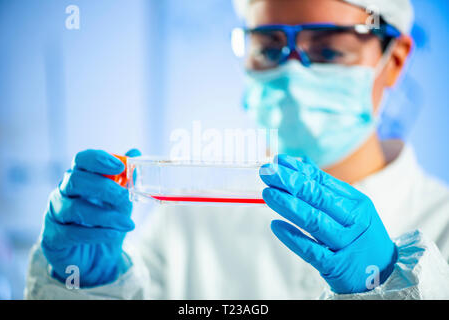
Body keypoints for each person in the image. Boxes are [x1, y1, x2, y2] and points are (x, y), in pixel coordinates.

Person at [25, 0, 449, 299]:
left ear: (393, 60)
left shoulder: (441, 223)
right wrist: (82, 286)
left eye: (328, 50)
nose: (291, 73)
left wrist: (392, 288)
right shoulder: (186, 221)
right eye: (268, 48)